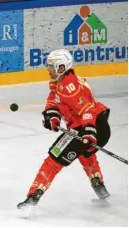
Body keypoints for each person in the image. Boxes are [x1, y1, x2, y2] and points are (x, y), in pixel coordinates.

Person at [17, 49, 111, 210]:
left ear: (61, 67)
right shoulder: (61, 82)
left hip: (89, 127)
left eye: (51, 66)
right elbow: (53, 101)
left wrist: (89, 133)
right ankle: (99, 186)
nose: (48, 69)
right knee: (84, 153)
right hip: (94, 126)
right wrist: (52, 116)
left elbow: (87, 111)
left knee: (53, 159)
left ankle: (33, 198)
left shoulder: (70, 87)